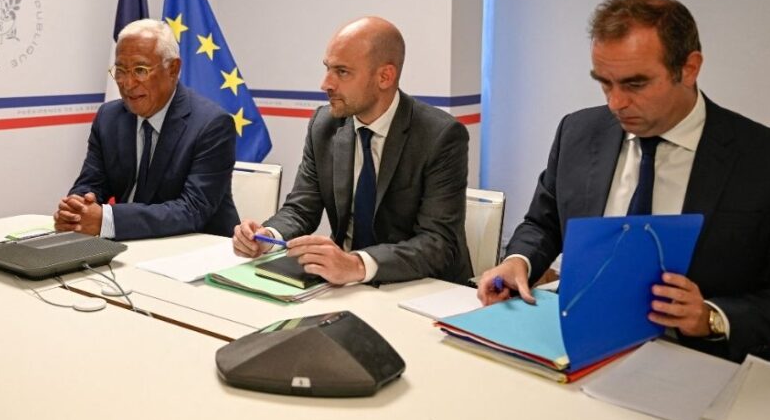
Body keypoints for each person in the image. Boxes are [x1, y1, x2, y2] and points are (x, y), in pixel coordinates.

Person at [477, 0, 770, 362]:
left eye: (635, 84)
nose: (616, 102)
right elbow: (543, 223)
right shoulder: (578, 132)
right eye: (604, 82)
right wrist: (518, 261)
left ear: (689, 68)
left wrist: (712, 318)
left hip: (709, 364)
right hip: (579, 350)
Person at [232, 16, 472, 285]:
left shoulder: (439, 136)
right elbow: (301, 209)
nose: (326, 84)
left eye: (342, 72)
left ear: (385, 76)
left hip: (421, 286)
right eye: (327, 68)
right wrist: (269, 237)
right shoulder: (324, 126)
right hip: (344, 285)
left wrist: (357, 264)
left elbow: (437, 243)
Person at [55, 19, 239, 239]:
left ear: (173, 69)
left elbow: (192, 210)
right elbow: (92, 182)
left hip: (195, 249)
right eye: (121, 71)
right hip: (127, 246)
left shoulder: (212, 124)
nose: (128, 83)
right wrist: (76, 210)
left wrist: (107, 220)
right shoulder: (109, 117)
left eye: (140, 70)